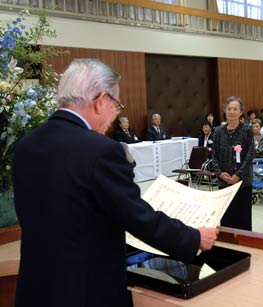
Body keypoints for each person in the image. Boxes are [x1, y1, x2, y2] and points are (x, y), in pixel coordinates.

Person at [12, 59, 218, 307]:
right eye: (116, 106)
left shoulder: (26, 145)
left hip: (36, 289)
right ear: (101, 101)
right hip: (86, 292)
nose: (114, 118)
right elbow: (138, 218)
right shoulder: (101, 151)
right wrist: (194, 238)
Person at [212, 96, 254, 231]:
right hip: (223, 182)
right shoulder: (218, 131)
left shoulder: (247, 130)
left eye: (235, 109)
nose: (232, 112)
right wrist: (219, 173)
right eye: (229, 109)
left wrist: (238, 175)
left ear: (241, 112)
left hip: (242, 182)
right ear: (225, 111)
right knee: (226, 218)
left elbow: (249, 155)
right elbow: (214, 155)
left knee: (242, 218)